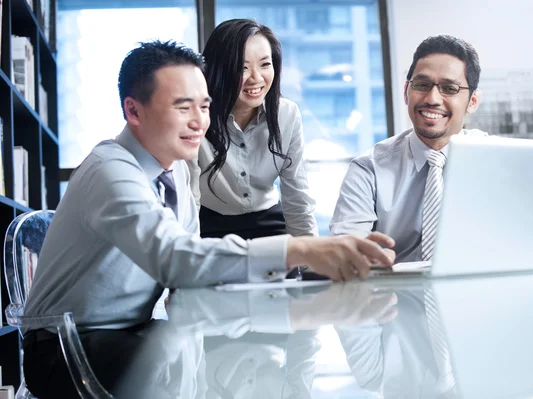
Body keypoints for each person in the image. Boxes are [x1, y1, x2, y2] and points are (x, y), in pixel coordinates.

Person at [21, 40, 395, 399]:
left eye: (205, 106)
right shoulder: (111, 170)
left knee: (205, 350)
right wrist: (300, 249)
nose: (200, 122)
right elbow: (174, 257)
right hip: (65, 347)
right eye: (183, 108)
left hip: (131, 331)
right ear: (133, 111)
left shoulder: (177, 173)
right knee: (176, 359)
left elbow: (193, 258)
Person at [330, 35, 486, 262]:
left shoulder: (496, 162)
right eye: (422, 85)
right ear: (406, 91)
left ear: (472, 101)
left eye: (449, 88)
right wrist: (358, 256)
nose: (432, 98)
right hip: (391, 294)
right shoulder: (369, 168)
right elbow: (344, 251)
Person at [186, 19, 318, 241]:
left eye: (265, 64)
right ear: (219, 70)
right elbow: (189, 195)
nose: (256, 78)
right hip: (207, 227)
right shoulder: (196, 116)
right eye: (242, 67)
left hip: (270, 225)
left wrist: (311, 260)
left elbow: (297, 195)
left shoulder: (286, 114)